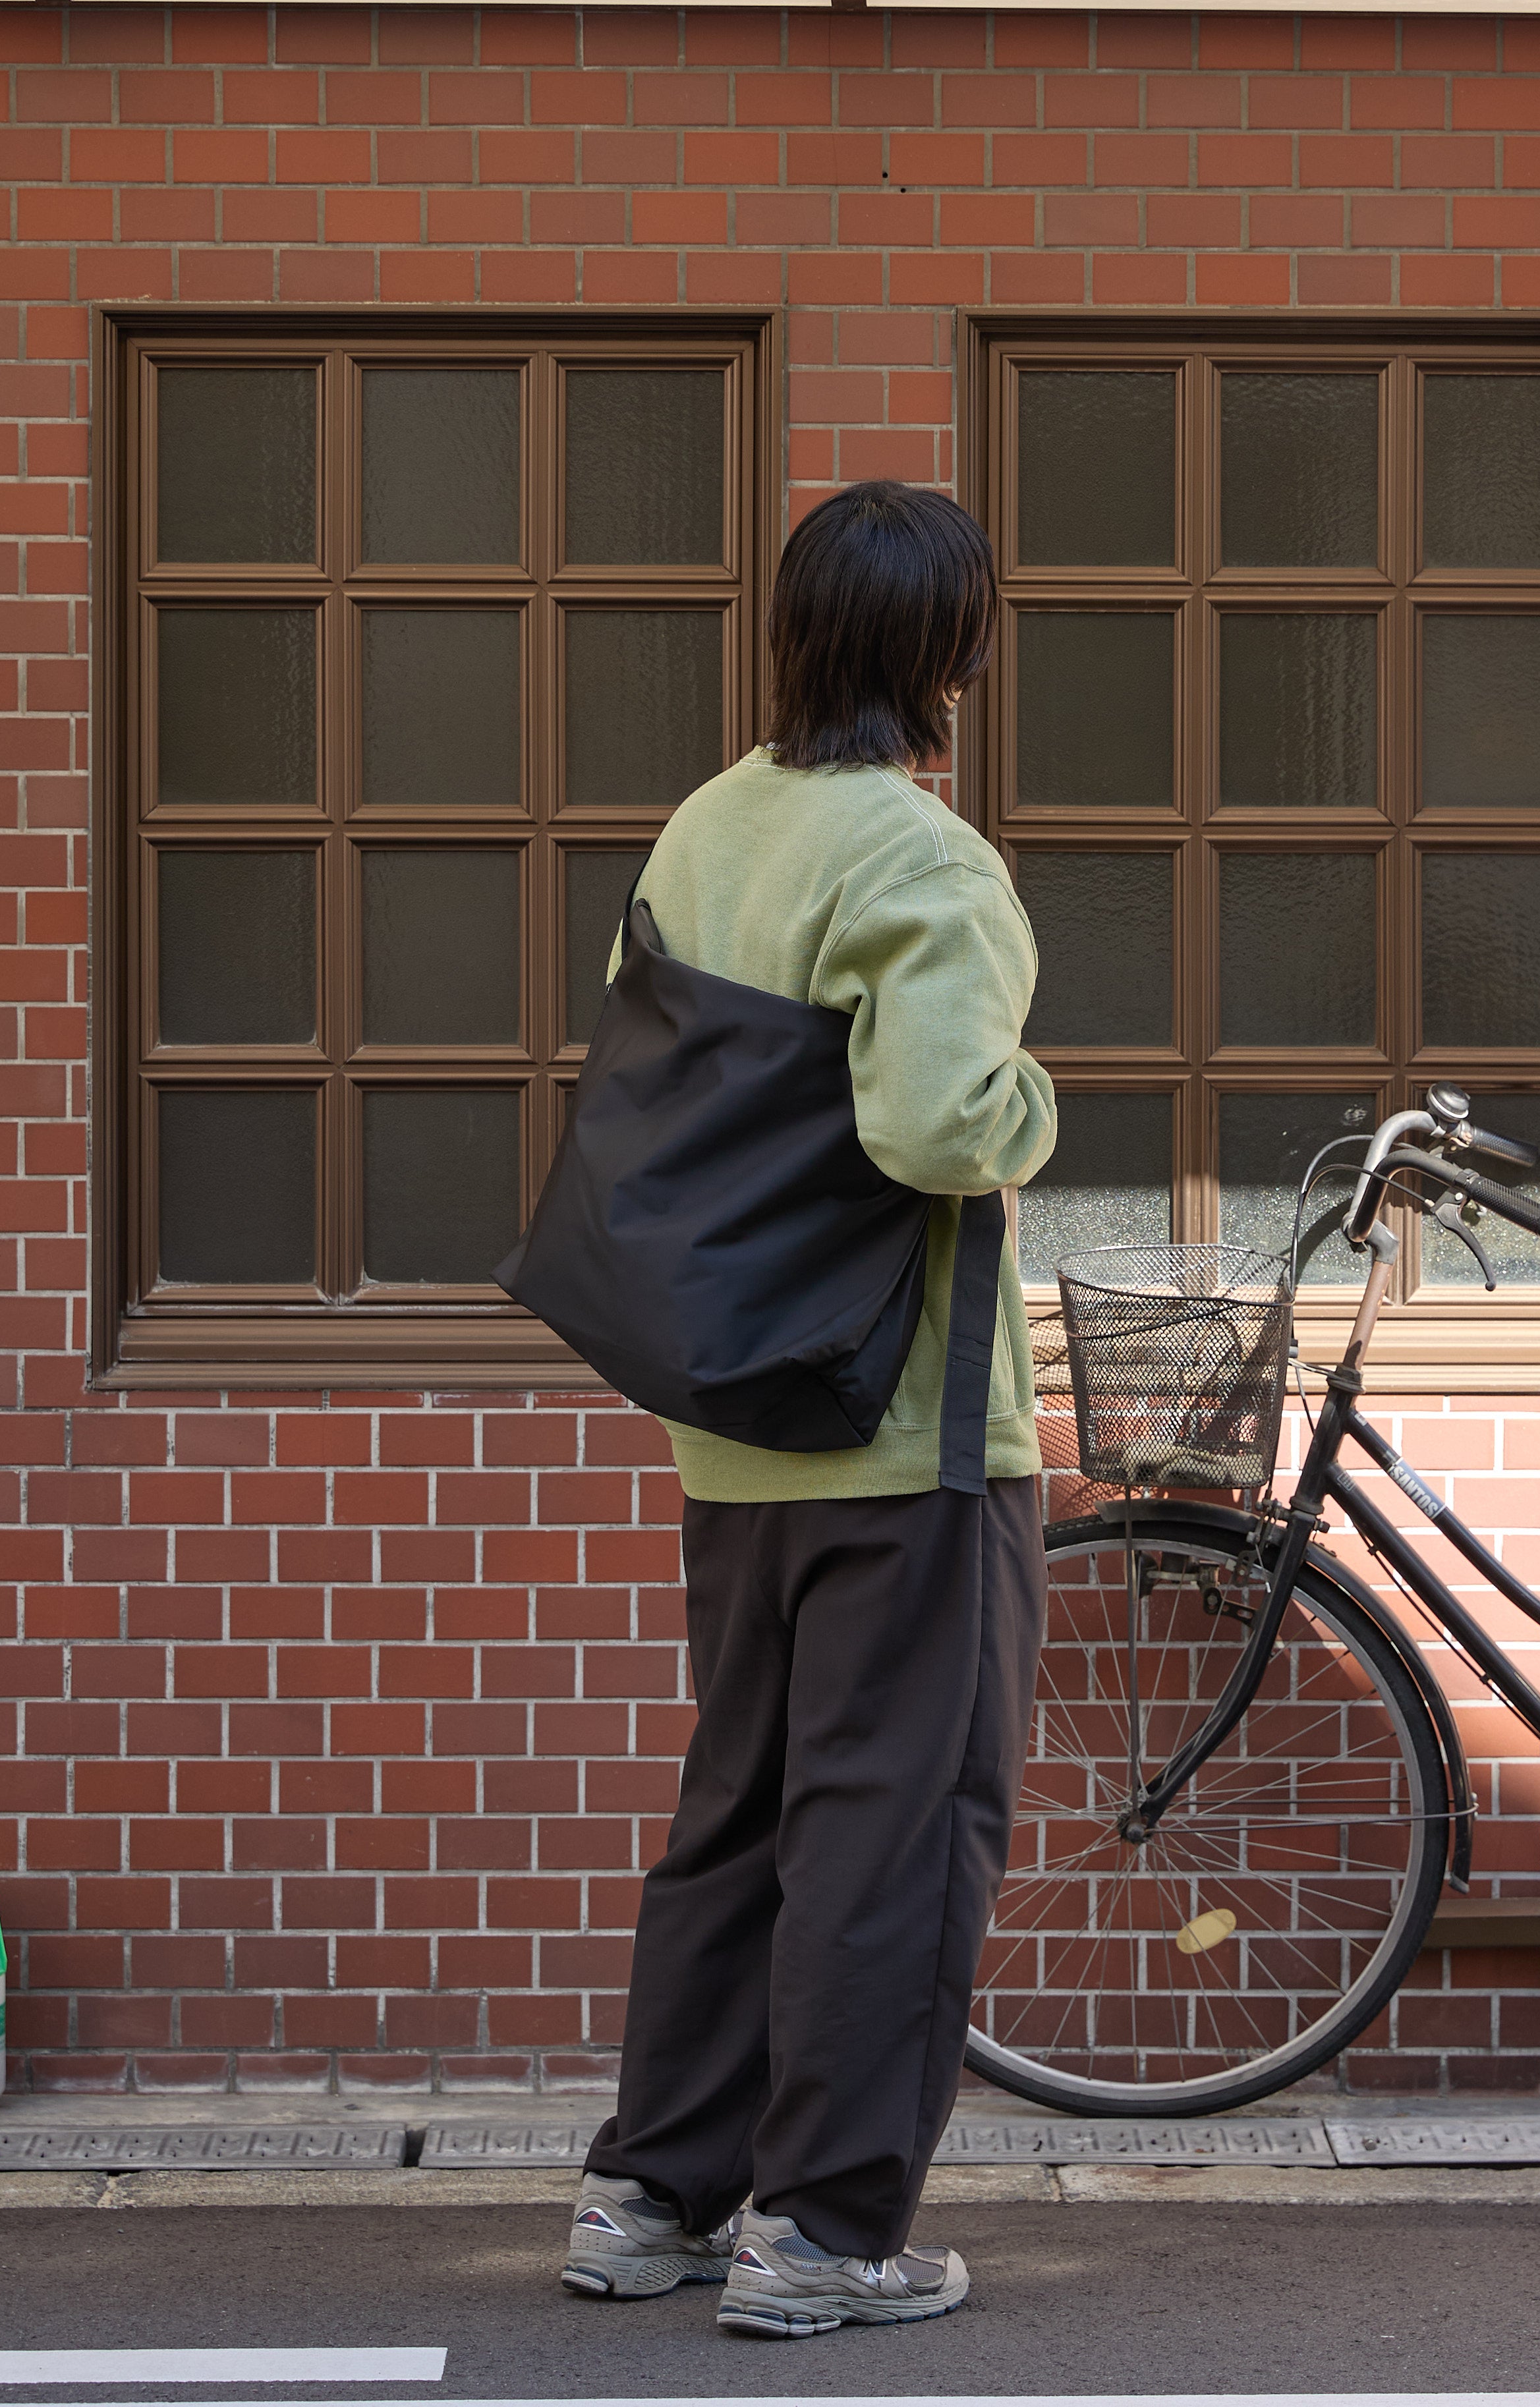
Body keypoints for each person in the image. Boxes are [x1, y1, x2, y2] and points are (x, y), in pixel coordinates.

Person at [558, 481, 1057, 2338]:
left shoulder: (707, 824)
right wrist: (1036, 1112)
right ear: (953, 655)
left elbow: (661, 1053)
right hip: (906, 1422)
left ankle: (653, 2192)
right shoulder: (924, 860)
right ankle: (831, 2230)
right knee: (896, 1820)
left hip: (734, 1412)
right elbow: (937, 1122)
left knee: (741, 1804)